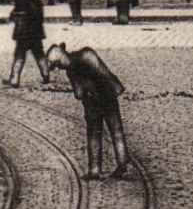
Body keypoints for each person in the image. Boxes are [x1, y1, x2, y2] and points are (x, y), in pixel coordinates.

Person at [45, 43, 131, 180]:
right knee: (114, 131)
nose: (59, 68)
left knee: (97, 133)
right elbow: (104, 74)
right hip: (104, 97)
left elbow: (79, 93)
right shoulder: (86, 55)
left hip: (95, 100)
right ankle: (122, 166)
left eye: (58, 65)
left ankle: (96, 170)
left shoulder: (77, 64)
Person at [6, 0, 50, 87]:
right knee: (39, 54)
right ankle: (45, 73)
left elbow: (12, 18)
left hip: (22, 36)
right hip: (35, 35)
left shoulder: (18, 5)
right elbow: (41, 17)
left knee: (19, 56)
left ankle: (15, 78)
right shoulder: (36, 2)